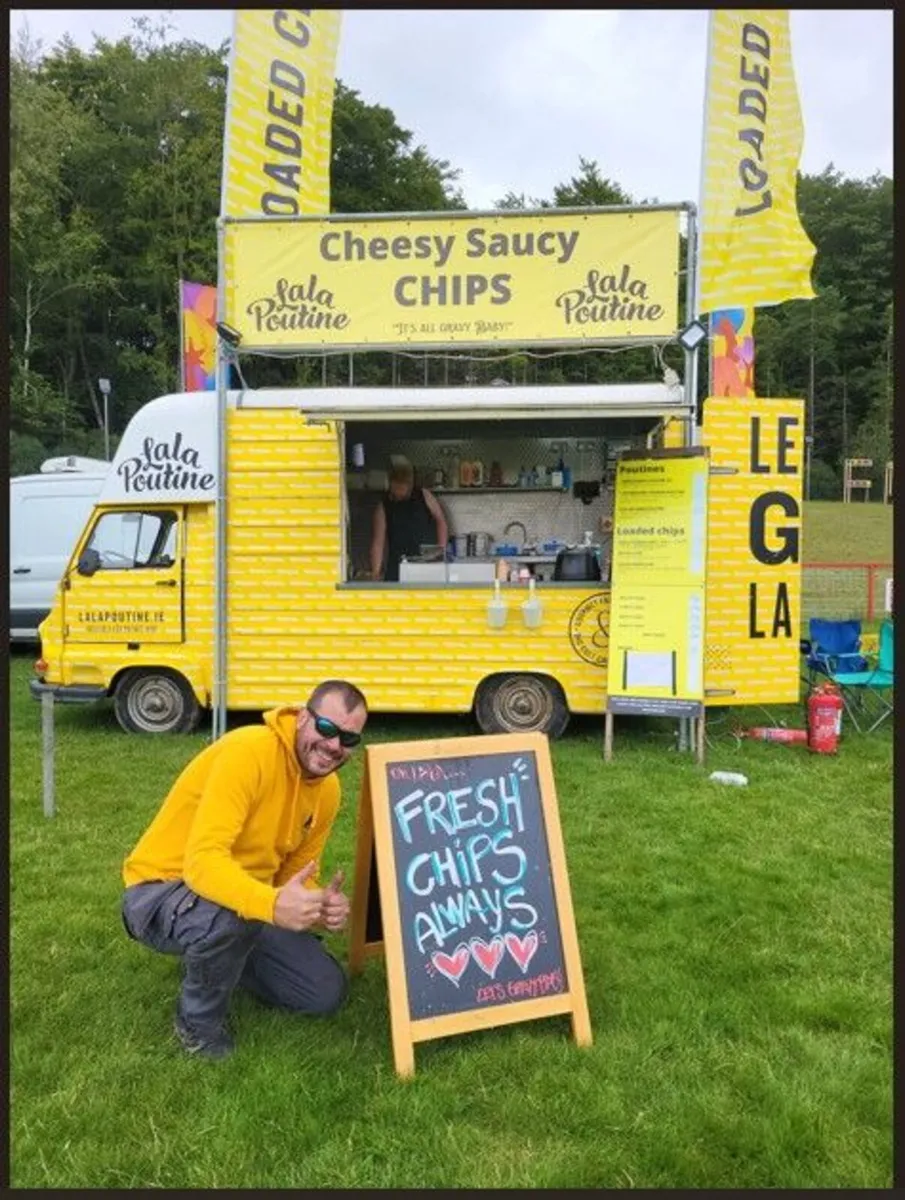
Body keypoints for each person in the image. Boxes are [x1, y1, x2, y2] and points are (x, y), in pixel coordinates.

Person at [120, 680, 368, 1060]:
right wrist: (270, 905)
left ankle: (220, 960)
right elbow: (202, 863)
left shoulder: (329, 791)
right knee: (228, 919)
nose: (334, 745)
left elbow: (295, 875)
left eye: (348, 739)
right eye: (327, 729)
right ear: (303, 718)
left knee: (323, 994)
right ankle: (197, 1026)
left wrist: (317, 905)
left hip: (242, 902)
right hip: (162, 890)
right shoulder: (247, 751)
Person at [369, 459, 448, 581]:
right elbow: (378, 543)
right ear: (390, 483)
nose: (401, 490)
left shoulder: (424, 495)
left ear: (410, 484)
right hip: (398, 568)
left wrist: (440, 553)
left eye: (404, 486)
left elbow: (441, 522)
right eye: (397, 485)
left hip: (426, 565)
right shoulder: (383, 507)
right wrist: (375, 573)